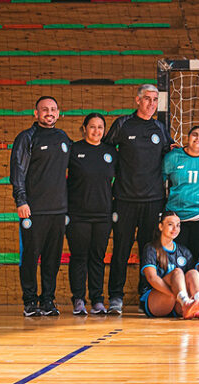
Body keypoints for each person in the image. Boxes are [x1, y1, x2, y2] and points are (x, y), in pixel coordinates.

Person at [104, 84, 174, 314]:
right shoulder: (123, 124)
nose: (151, 103)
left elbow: (170, 154)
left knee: (148, 250)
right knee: (121, 249)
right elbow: (104, 152)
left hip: (153, 200)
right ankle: (115, 297)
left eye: (155, 99)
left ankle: (145, 293)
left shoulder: (160, 128)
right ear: (137, 100)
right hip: (124, 199)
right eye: (147, 99)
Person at [10, 96, 71, 316]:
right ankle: (29, 302)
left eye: (53, 109)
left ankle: (47, 301)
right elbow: (18, 171)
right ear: (35, 113)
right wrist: (21, 200)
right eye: (44, 109)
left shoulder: (63, 138)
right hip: (33, 210)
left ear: (58, 113)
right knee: (30, 257)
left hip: (58, 211)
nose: (49, 113)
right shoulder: (26, 138)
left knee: (52, 259)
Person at [66, 113, 117, 315]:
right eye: (92, 127)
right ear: (84, 128)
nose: (96, 131)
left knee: (97, 257)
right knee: (79, 257)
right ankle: (78, 299)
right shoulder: (73, 150)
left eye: (100, 127)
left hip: (103, 215)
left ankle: (97, 300)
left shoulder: (111, 152)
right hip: (78, 215)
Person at [139, 211, 199, 319]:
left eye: (178, 225)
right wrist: (174, 295)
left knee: (193, 272)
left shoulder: (183, 251)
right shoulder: (151, 248)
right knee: (177, 272)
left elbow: (193, 280)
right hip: (157, 300)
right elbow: (151, 278)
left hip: (177, 302)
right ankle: (185, 303)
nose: (175, 229)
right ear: (161, 226)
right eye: (170, 224)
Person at [162, 125, 199, 255]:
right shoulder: (173, 157)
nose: (198, 138)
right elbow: (161, 180)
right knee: (178, 258)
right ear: (187, 138)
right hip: (177, 216)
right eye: (195, 134)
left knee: (198, 256)